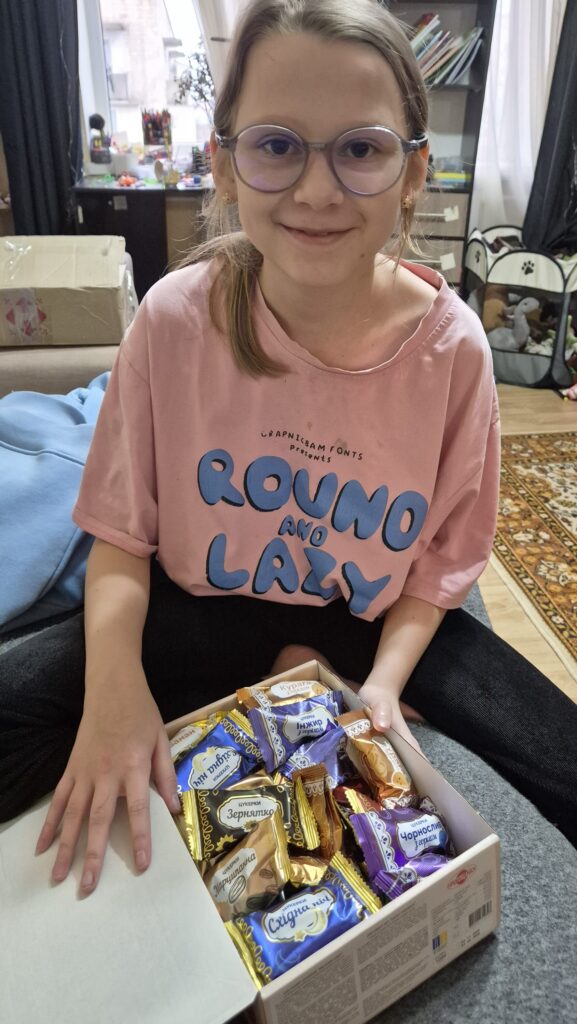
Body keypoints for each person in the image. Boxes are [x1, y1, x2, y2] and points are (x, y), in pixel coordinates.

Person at [1, 0, 576, 900]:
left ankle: (307, 664)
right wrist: (114, 692)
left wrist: (378, 688)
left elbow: (439, 570)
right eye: (276, 145)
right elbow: (120, 533)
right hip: (201, 609)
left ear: (412, 172)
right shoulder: (173, 319)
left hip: (369, 620)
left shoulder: (455, 349)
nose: (315, 191)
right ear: (224, 162)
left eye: (360, 149)